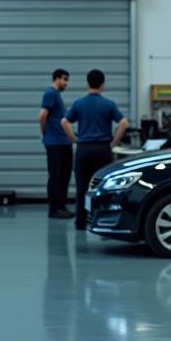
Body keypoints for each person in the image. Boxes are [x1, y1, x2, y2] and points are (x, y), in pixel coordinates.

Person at [62, 69, 129, 231]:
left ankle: (80, 222)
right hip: (103, 150)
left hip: (84, 149)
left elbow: (64, 122)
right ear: (103, 84)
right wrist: (114, 141)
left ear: (87, 84)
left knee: (82, 187)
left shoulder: (79, 103)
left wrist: (75, 139)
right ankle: (102, 220)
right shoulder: (108, 104)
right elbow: (124, 123)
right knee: (104, 187)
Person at [39, 69, 73, 219]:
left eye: (67, 80)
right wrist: (45, 133)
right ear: (57, 78)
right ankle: (54, 209)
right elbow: (42, 115)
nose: (66, 83)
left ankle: (61, 206)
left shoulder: (56, 95)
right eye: (64, 79)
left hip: (63, 141)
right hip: (55, 142)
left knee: (64, 175)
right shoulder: (50, 93)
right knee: (56, 176)